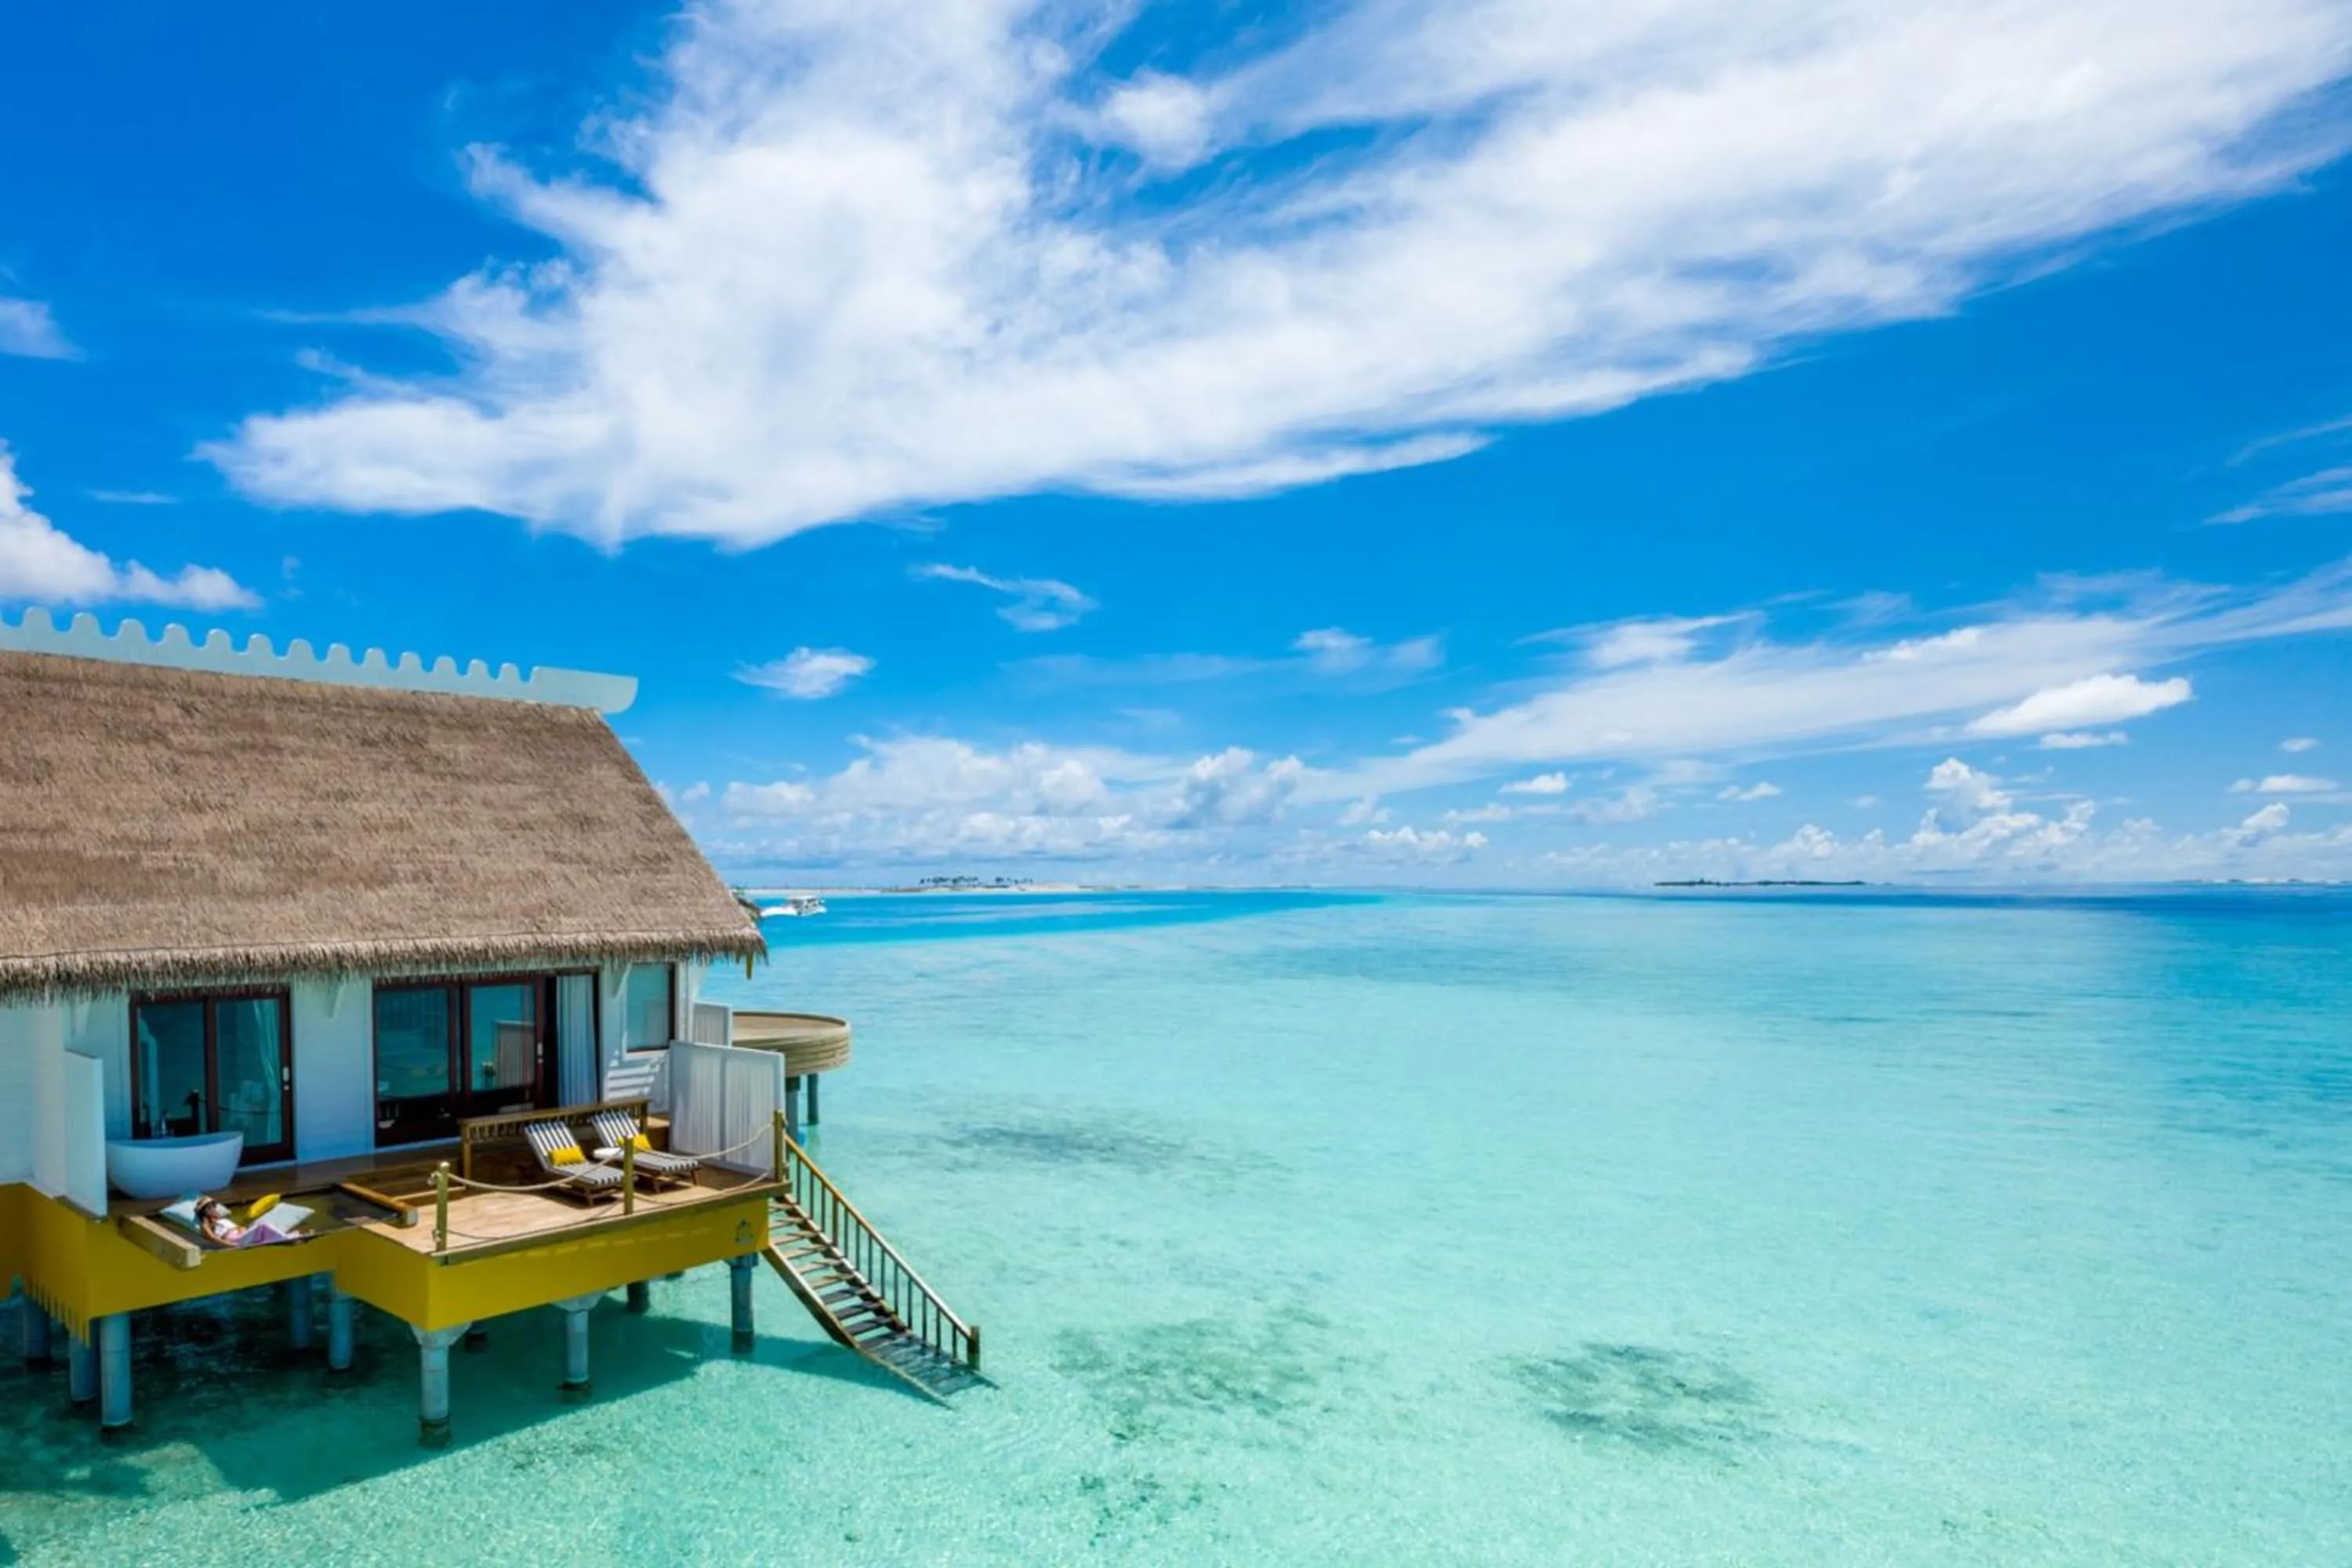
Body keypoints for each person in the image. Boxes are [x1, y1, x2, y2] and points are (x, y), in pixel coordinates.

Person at [194, 1198, 296, 1247]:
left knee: (262, 1227)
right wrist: (231, 1245)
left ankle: (285, 1238)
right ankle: (285, 1239)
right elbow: (213, 1238)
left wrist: (242, 1229)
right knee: (263, 1225)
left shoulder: (220, 1219)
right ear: (204, 1211)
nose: (212, 1209)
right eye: (208, 1208)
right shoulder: (206, 1224)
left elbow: (238, 1227)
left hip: (241, 1235)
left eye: (212, 1206)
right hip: (235, 1240)